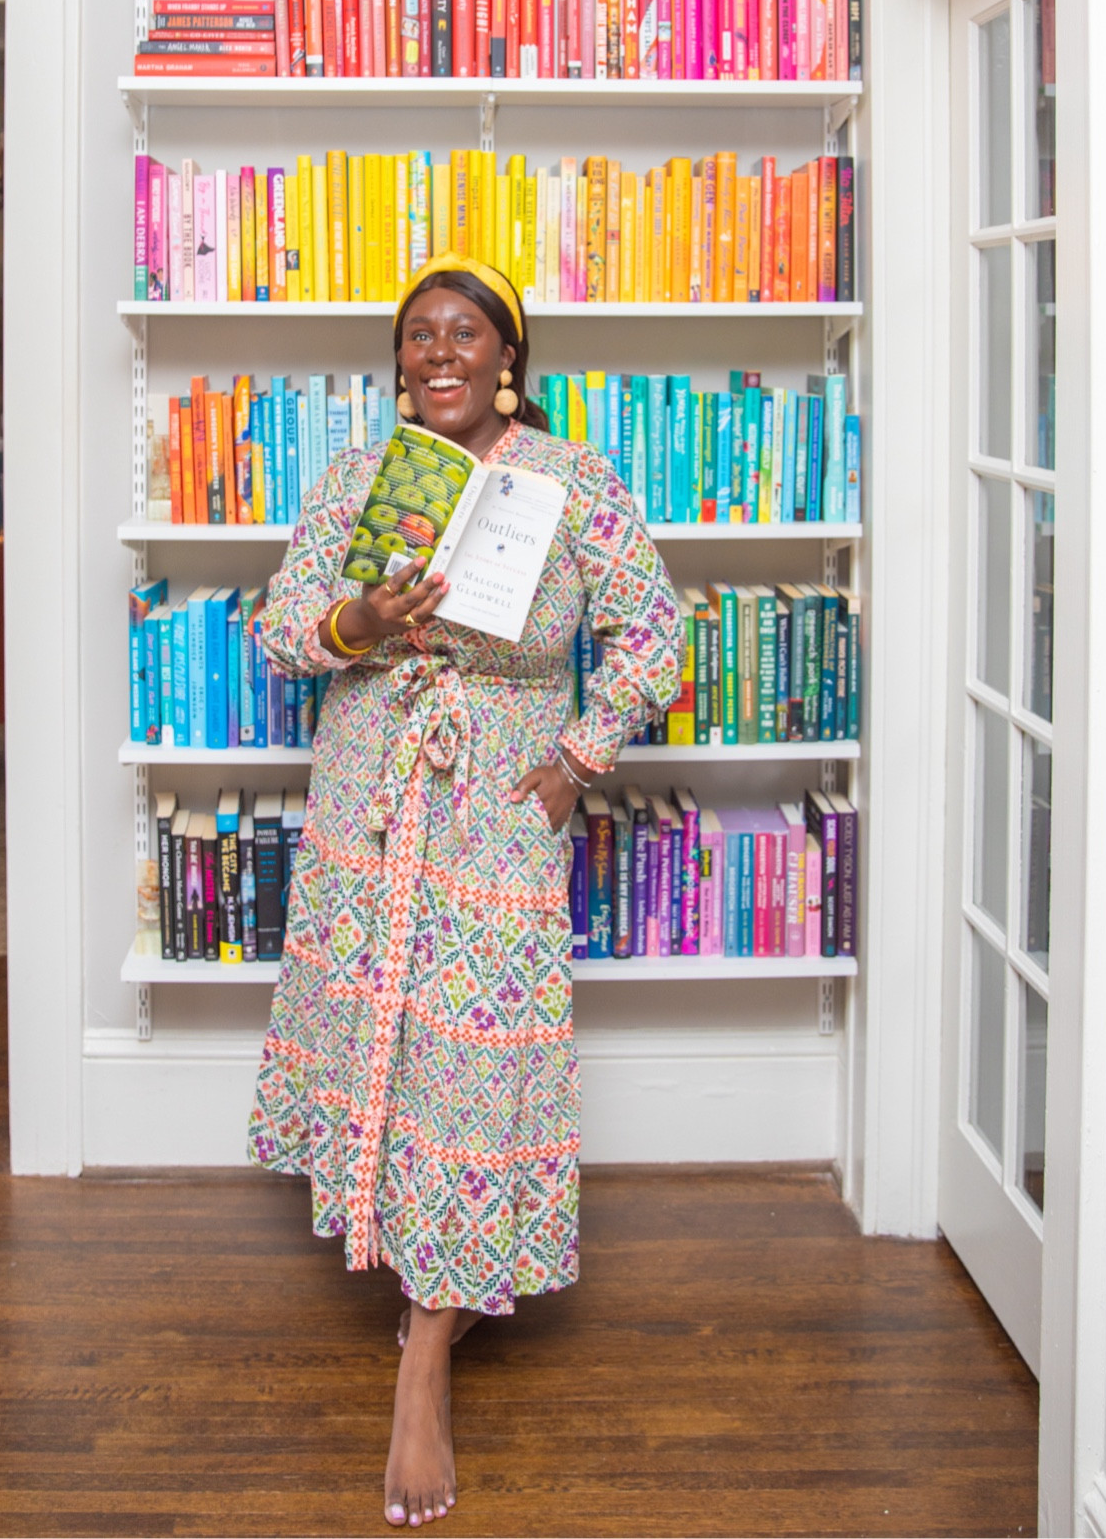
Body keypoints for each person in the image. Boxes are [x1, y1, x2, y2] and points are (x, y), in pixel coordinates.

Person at [249, 252, 681, 1527]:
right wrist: (361, 622)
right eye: (417, 336)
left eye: (463, 333)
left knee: (475, 1059)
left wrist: (576, 762)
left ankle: (425, 1357)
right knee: (382, 1038)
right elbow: (280, 631)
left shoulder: (572, 481)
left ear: (508, 358)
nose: (437, 351)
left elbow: (653, 633)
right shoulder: (358, 479)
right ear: (400, 364)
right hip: (368, 796)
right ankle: (423, 1276)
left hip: (497, 794)